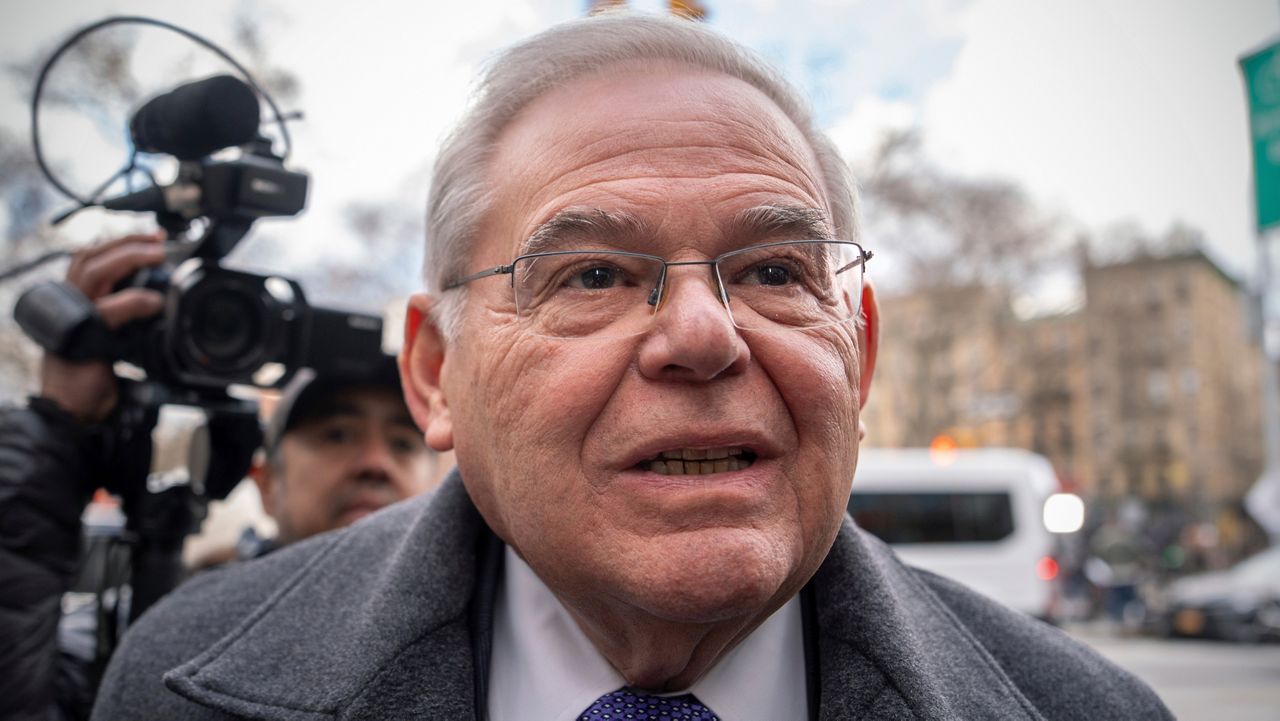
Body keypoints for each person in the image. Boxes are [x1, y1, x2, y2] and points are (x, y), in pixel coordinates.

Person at [93, 13, 1172, 720]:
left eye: (770, 270)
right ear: (434, 376)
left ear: (861, 352)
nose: (704, 335)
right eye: (595, 275)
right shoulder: (176, 681)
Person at [0, 233, 440, 721]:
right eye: (337, 434)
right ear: (265, 482)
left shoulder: (485, 642)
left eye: (403, 442)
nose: (375, 462)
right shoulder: (158, 639)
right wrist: (58, 426)